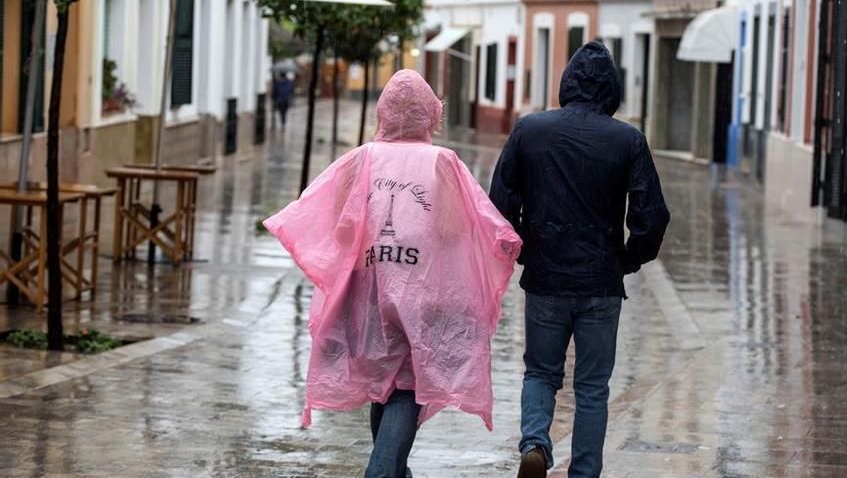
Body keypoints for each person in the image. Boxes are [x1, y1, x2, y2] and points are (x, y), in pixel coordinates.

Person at [263, 69, 521, 478]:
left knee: (384, 382)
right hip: (425, 293)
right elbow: (458, 228)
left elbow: (337, 224)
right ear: (428, 115)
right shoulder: (442, 163)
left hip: (365, 294)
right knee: (405, 384)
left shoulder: (360, 159)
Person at [489, 41, 670, 478]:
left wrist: (523, 248)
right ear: (612, 89)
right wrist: (628, 259)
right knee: (592, 387)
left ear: (566, 82)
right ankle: (584, 472)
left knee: (540, 373)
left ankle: (535, 442)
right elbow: (652, 217)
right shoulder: (628, 140)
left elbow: (498, 202)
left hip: (546, 277)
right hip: (600, 283)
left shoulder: (530, 130)